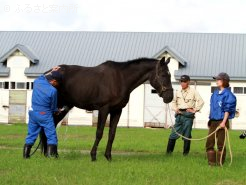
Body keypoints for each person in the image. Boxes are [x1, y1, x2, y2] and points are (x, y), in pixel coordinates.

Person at [23, 70, 62, 159]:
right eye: (57, 83)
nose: (57, 85)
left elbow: (42, 75)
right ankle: (50, 156)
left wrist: (52, 70)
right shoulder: (53, 91)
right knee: (51, 135)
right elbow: (52, 107)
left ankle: (26, 156)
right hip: (44, 114)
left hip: (32, 113)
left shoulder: (37, 82)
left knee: (31, 134)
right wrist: (57, 110)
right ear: (54, 81)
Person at [166, 75, 204, 156]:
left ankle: (185, 155)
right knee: (173, 134)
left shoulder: (193, 91)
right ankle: (168, 153)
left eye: (184, 82)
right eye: (181, 82)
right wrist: (175, 109)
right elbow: (173, 102)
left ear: (188, 82)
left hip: (188, 116)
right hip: (179, 115)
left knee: (187, 135)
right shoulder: (178, 91)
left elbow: (201, 101)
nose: (182, 83)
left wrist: (195, 110)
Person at [206, 72, 236, 166]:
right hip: (213, 121)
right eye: (216, 79)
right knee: (209, 143)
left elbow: (227, 110)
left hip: (222, 121)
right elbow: (212, 107)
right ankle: (211, 163)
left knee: (220, 144)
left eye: (219, 79)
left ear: (224, 81)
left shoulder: (228, 94)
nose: (217, 81)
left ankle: (220, 164)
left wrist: (223, 122)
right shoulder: (215, 93)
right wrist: (210, 120)